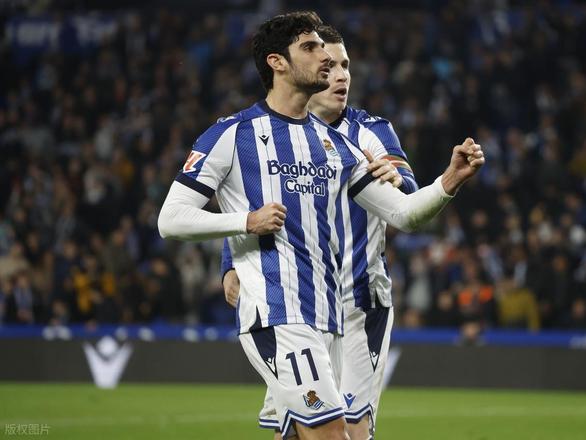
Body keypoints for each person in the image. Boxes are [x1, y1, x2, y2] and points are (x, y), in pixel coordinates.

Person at [158, 11, 484, 440]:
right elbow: (171, 219)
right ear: (277, 62)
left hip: (331, 316)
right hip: (277, 313)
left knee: (302, 435)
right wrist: (245, 223)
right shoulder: (231, 135)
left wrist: (449, 181)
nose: (327, 60)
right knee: (333, 433)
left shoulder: (338, 145)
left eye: (334, 56)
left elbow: (404, 213)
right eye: (310, 48)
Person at [221, 24, 419, 440]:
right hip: (298, 303)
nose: (341, 75)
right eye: (331, 65)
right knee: (298, 430)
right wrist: (230, 262)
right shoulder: (271, 135)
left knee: (349, 430)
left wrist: (399, 180)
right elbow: (248, 203)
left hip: (359, 303)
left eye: (346, 66)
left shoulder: (371, 131)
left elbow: (408, 198)